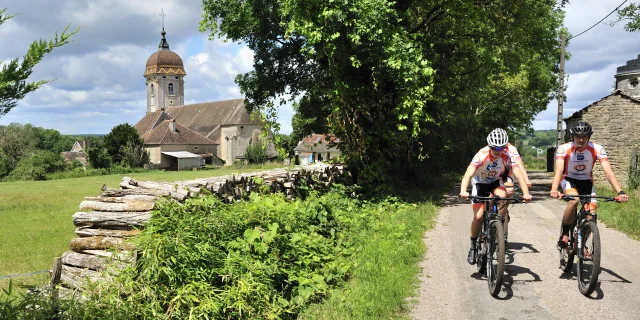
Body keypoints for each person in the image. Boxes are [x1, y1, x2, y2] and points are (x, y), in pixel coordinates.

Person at [549, 121, 629, 248]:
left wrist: (620, 192)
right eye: (578, 136)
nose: (581, 140)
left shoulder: (598, 149)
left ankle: (582, 245)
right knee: (574, 201)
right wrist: (554, 189)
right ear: (572, 137)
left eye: (584, 137)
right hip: (569, 179)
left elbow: (608, 172)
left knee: (590, 216)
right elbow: (559, 170)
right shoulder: (563, 149)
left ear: (589, 137)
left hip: (587, 181)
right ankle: (564, 233)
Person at [460, 128, 532, 265]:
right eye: (494, 148)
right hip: (480, 184)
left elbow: (517, 173)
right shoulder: (481, 155)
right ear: (489, 146)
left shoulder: (506, 156)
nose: (497, 151)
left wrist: (526, 193)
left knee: (502, 197)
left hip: (495, 182)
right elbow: (468, 174)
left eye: (501, 147)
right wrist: (463, 191)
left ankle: (497, 226)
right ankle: (473, 247)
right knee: (479, 216)